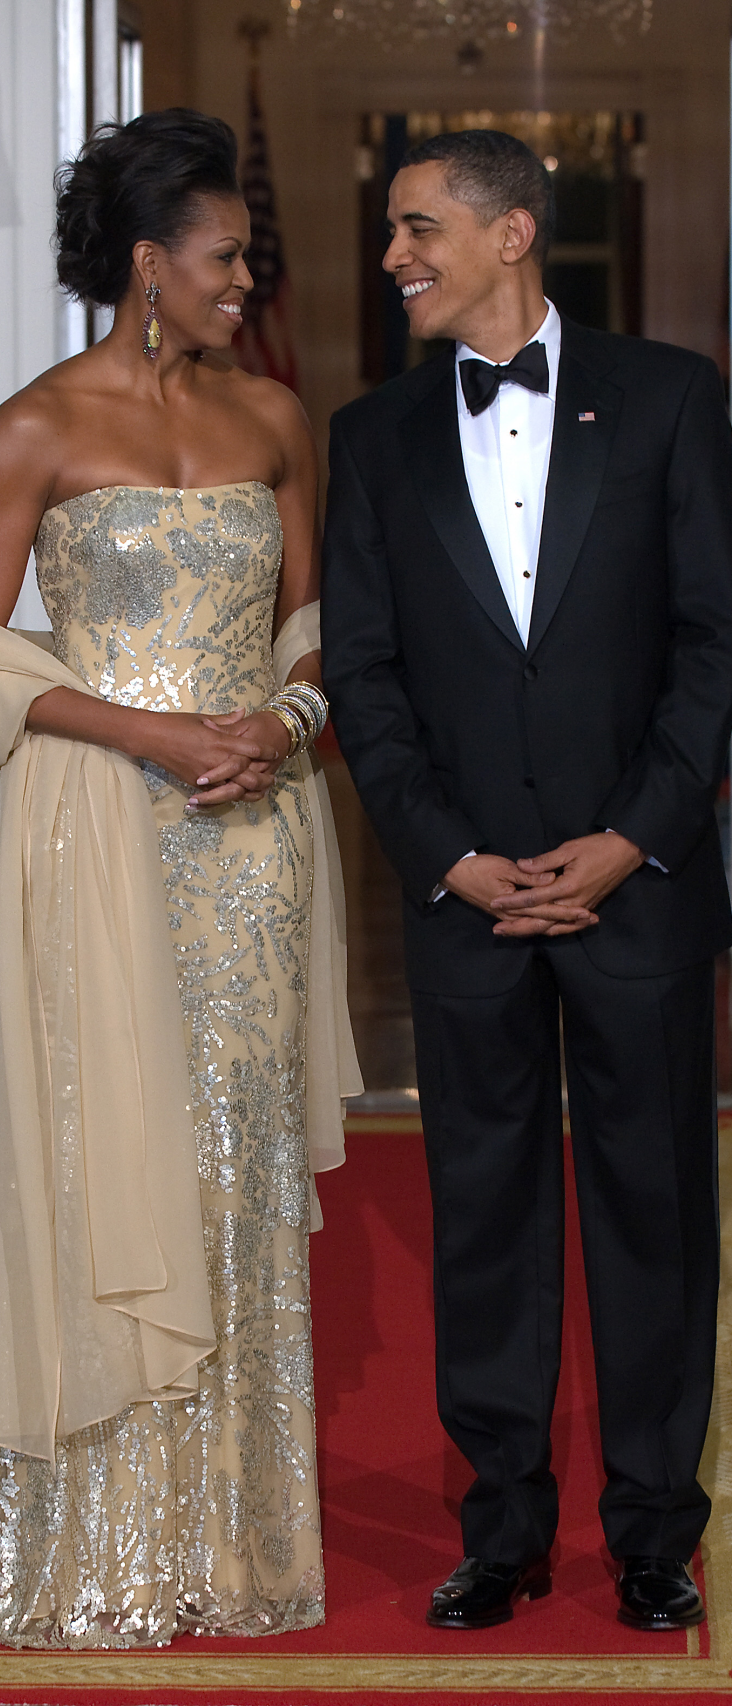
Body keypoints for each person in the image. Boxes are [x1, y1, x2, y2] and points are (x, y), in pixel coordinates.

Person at [0, 108, 361, 1650]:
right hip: (97, 830)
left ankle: (236, 1548)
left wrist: (282, 720)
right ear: (147, 264)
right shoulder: (33, 429)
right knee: (110, 1146)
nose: (249, 280)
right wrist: (151, 733)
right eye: (228, 255)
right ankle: (105, 1552)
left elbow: (314, 624)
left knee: (233, 1165)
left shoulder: (273, 420)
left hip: (254, 843)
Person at [321, 128, 732, 1634]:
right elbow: (364, 682)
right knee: (483, 1215)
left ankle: (653, 1531)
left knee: (654, 1212)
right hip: (467, 900)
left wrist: (632, 838)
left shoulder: (680, 397)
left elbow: (714, 645)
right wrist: (451, 857)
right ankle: (500, 1529)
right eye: (387, 231)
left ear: (512, 233)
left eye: (416, 225)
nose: (393, 257)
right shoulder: (368, 440)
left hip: (644, 885)